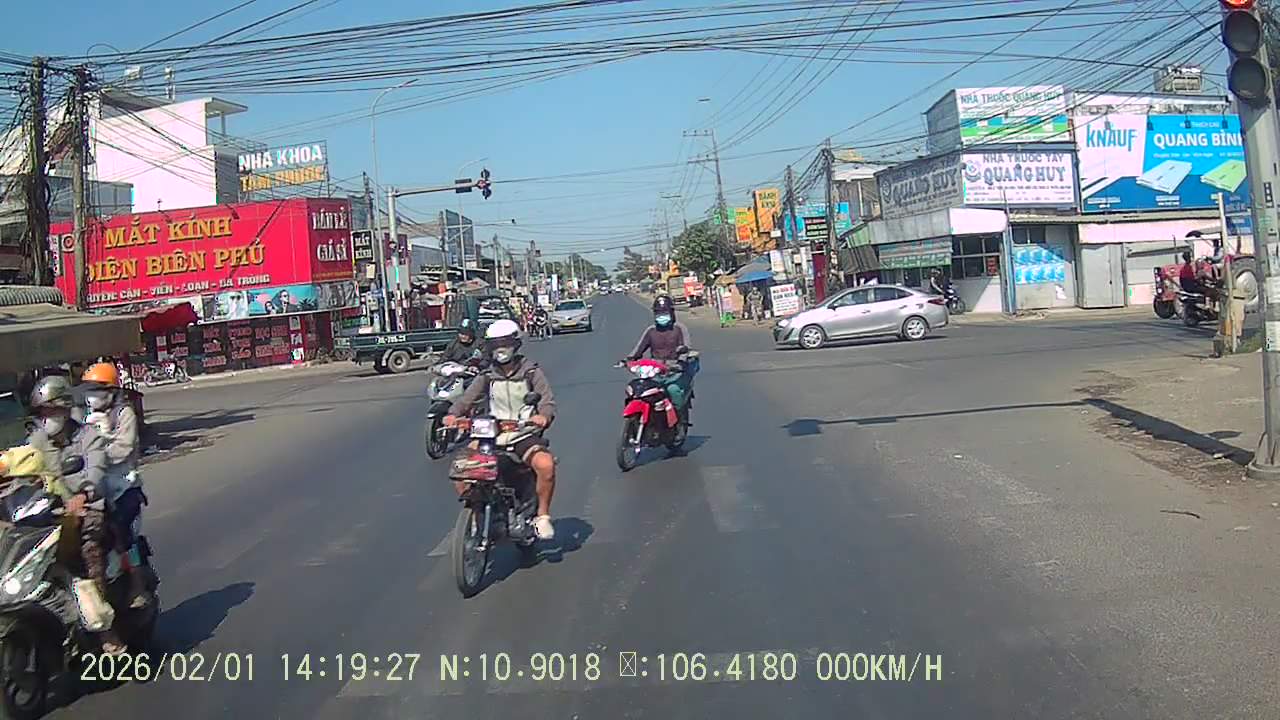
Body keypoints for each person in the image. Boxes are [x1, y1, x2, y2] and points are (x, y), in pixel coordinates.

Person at [24, 376, 125, 653]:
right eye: (42, 412)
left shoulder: (88, 436)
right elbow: (24, 465)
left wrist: (83, 493)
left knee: (88, 552)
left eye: (50, 410)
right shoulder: (36, 440)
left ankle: (104, 627)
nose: (46, 418)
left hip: (89, 507)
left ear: (65, 409)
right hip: (49, 510)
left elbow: (96, 468)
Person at [444, 319, 559, 541]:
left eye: (504, 344)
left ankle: (542, 516)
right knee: (461, 469)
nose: (500, 350)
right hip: (492, 434)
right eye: (495, 345)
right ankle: (476, 514)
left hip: (523, 433)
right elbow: (466, 399)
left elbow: (547, 401)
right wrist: (453, 414)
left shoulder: (531, 371)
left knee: (546, 465)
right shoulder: (487, 375)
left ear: (515, 344)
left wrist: (543, 416)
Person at [80, 362, 150, 609]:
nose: (92, 395)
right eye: (89, 390)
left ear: (111, 391)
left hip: (123, 486)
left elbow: (124, 448)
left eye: (98, 390)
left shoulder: (124, 414)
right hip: (94, 486)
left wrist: (97, 455)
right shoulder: (83, 417)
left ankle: (138, 586)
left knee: (123, 534)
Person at [626, 295, 697, 421]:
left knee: (674, 391)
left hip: (674, 372)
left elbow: (686, 347)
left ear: (671, 313)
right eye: (658, 313)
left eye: (664, 313)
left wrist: (680, 361)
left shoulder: (679, 328)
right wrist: (629, 360)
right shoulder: (651, 331)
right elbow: (638, 348)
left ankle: (678, 420)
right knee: (639, 391)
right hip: (654, 372)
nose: (661, 316)